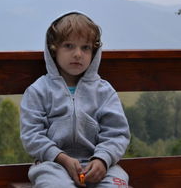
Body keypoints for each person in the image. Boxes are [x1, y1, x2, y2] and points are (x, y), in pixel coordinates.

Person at [20, 12, 130, 188]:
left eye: (85, 48)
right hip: (53, 166)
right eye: (69, 46)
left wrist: (102, 159)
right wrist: (61, 158)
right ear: (53, 49)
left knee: (117, 184)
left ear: (94, 52)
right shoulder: (38, 91)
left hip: (100, 166)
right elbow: (31, 135)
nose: (78, 54)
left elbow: (117, 133)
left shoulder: (104, 91)